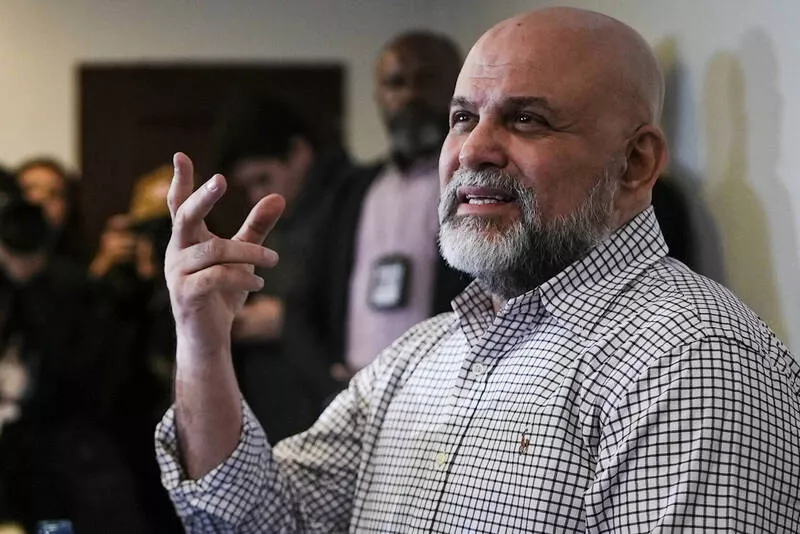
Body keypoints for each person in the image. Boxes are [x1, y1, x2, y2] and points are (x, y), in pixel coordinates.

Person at [156, 7, 800, 532]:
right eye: (463, 117)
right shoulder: (417, 357)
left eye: (527, 119)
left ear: (634, 164)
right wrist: (203, 344)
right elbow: (257, 520)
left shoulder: (692, 360)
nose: (474, 150)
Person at [289, 31, 470, 386]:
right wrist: (328, 380)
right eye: (396, 83)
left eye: (426, 80)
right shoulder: (349, 191)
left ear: (458, 87)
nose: (411, 95)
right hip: (355, 391)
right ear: (379, 97)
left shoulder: (481, 187)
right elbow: (301, 305)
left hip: (446, 392)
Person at [215, 97, 357, 438]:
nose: (256, 196)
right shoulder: (292, 214)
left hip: (330, 415)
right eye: (249, 186)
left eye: (264, 179)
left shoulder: (350, 204)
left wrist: (283, 323)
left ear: (298, 153)